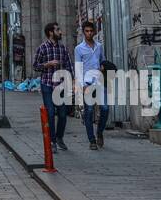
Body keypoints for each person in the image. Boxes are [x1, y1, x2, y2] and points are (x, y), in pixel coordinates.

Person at [33, 22, 72, 152]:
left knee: (62, 114)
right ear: (51, 32)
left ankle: (60, 137)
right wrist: (47, 64)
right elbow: (35, 66)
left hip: (60, 86)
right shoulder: (42, 48)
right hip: (47, 84)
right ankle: (52, 141)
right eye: (57, 30)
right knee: (50, 112)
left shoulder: (63, 48)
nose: (60, 32)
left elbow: (68, 66)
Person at [74, 20, 108, 149]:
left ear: (94, 32)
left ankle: (99, 132)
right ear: (83, 32)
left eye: (91, 31)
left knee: (105, 109)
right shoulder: (79, 49)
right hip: (87, 84)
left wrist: (103, 66)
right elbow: (78, 68)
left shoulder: (99, 46)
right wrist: (82, 85)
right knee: (88, 111)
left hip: (100, 82)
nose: (89, 33)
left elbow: (102, 60)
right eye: (86, 31)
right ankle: (92, 140)